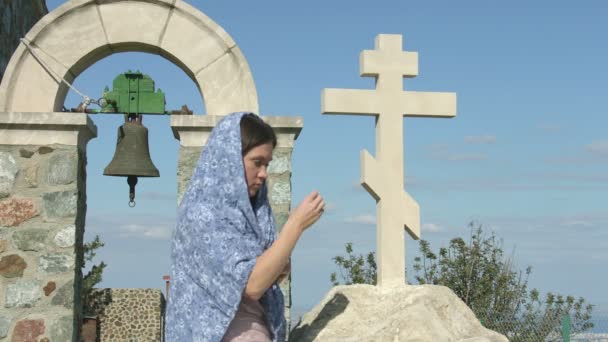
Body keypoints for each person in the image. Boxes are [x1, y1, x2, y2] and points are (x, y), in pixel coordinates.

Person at [165, 112, 325, 342]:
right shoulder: (202, 215)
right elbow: (251, 285)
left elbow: (253, 281)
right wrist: (295, 225)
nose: (263, 174)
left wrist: (276, 266)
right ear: (230, 159)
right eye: (257, 162)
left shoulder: (252, 215)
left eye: (267, 164)